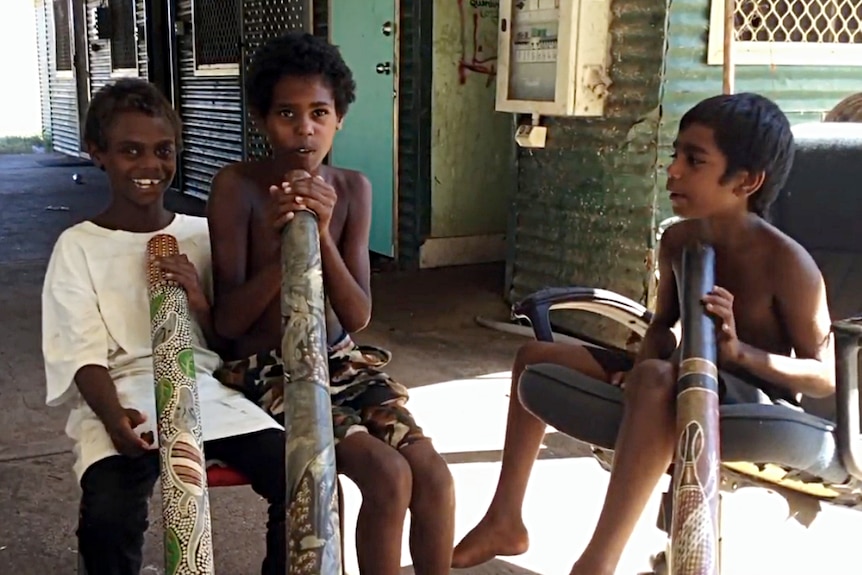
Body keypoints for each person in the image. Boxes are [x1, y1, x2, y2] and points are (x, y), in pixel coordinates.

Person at [452, 92, 836, 574]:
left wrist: (740, 353)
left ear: (746, 181)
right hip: (679, 375)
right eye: (675, 154)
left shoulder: (788, 264)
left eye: (693, 160)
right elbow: (660, 327)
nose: (672, 170)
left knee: (656, 378)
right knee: (536, 356)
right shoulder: (679, 238)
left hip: (750, 395)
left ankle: (596, 562)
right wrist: (637, 367)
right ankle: (504, 519)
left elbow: (826, 378)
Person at [206, 32, 455, 575]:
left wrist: (318, 235)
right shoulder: (237, 188)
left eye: (319, 112)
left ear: (339, 117)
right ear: (261, 119)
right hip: (271, 372)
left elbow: (358, 314)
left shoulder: (353, 189)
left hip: (343, 362)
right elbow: (227, 324)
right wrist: (284, 250)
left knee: (433, 475)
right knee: (386, 475)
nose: (304, 128)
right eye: (286, 113)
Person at [41, 78, 287, 575]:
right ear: (98, 154)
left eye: (162, 150)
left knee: (301, 479)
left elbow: (228, 340)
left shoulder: (200, 234)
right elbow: (82, 353)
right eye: (130, 151)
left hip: (209, 396)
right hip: (124, 400)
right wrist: (114, 419)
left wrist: (199, 300)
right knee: (108, 517)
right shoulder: (78, 246)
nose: (150, 166)